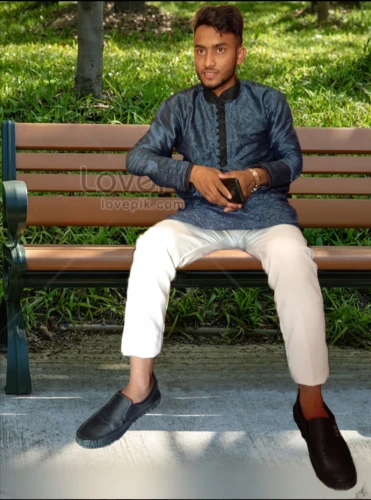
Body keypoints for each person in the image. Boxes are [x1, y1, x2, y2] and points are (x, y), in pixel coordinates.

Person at [75, 4, 357, 491]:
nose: (207, 61)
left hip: (266, 216)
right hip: (199, 218)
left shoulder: (270, 101)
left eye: (219, 50)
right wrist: (190, 174)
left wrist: (257, 176)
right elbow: (138, 156)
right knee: (150, 246)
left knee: (295, 261)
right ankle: (140, 388)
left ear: (239, 53)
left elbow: (292, 159)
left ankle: (312, 406)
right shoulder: (178, 106)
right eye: (200, 50)